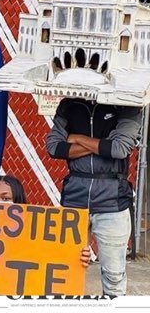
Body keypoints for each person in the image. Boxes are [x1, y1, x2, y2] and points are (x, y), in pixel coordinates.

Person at [46, 98, 142, 295]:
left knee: (113, 276)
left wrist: (76, 138)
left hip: (112, 202)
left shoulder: (128, 104)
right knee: (65, 270)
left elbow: (117, 149)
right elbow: (55, 148)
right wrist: (101, 145)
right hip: (74, 199)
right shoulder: (69, 105)